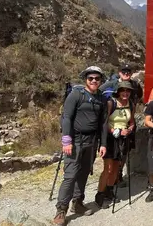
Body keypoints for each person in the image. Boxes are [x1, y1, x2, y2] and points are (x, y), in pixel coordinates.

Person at [53, 66, 108, 225]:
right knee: (70, 175)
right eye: (91, 78)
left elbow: (103, 123)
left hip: (91, 141)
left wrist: (103, 144)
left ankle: (77, 203)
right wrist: (66, 140)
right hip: (75, 140)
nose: (94, 81)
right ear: (86, 79)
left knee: (84, 173)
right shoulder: (75, 95)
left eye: (97, 79)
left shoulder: (101, 99)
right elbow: (67, 118)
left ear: (100, 80)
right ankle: (61, 209)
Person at [94, 81, 136, 208]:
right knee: (108, 168)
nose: (125, 93)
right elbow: (104, 122)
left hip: (122, 139)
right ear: (118, 91)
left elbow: (132, 121)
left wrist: (130, 129)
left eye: (128, 91)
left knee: (117, 168)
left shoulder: (131, 105)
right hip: (110, 139)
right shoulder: (111, 103)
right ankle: (100, 195)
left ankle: (109, 191)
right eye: (123, 90)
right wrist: (115, 131)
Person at [100, 64, 142, 187]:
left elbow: (139, 96)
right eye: (124, 71)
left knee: (123, 154)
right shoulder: (111, 87)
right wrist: (113, 130)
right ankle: (105, 189)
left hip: (126, 127)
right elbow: (99, 91)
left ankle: (117, 177)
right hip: (111, 133)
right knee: (109, 165)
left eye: (128, 71)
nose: (126, 73)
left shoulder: (135, 86)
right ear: (119, 72)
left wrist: (130, 128)